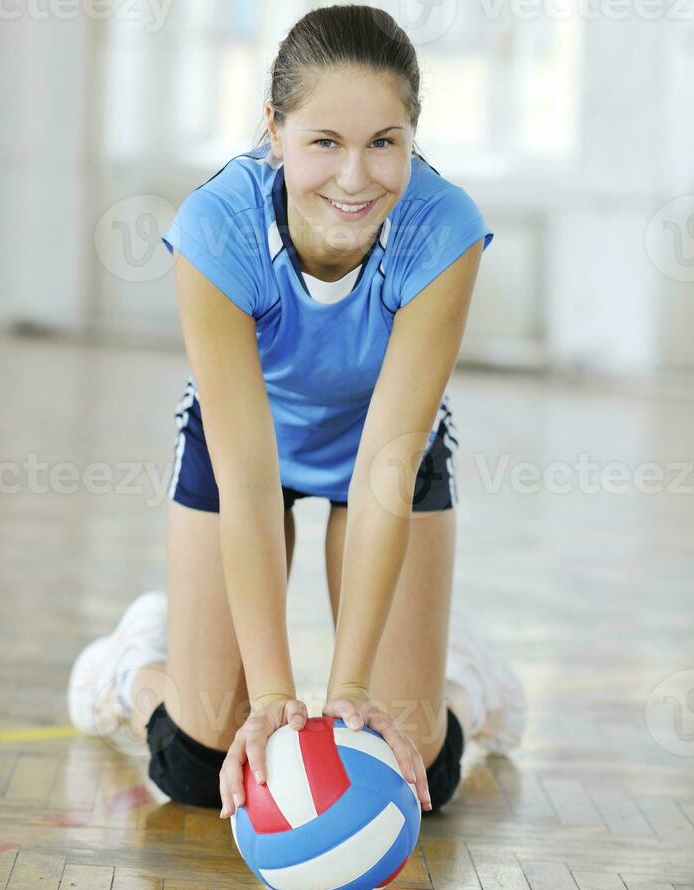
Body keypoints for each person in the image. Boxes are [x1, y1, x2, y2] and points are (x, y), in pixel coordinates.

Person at [68, 5, 526, 820]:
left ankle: (464, 678)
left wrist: (348, 691)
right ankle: (130, 665)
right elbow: (247, 480)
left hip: (382, 451)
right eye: (325, 142)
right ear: (273, 130)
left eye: (383, 142)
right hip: (246, 447)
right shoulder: (217, 225)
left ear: (413, 138)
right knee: (200, 758)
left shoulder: (443, 227)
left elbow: (386, 469)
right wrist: (275, 697)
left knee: (412, 762)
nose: (355, 178)